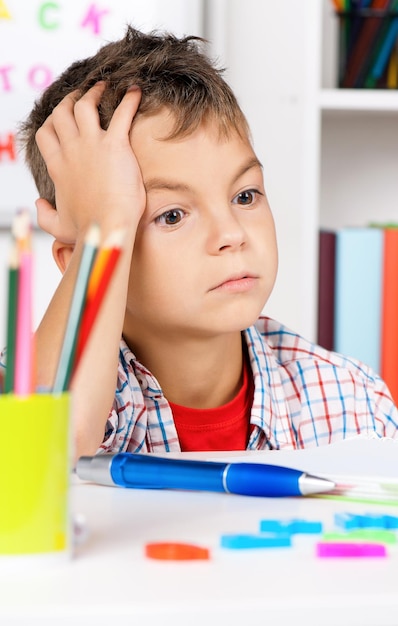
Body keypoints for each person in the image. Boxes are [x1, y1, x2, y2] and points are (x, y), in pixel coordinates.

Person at [2, 25, 398, 460]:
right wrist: (105, 222)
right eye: (171, 215)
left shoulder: (353, 405)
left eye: (244, 196)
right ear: (77, 259)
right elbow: (40, 451)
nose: (231, 234)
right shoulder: (19, 383)